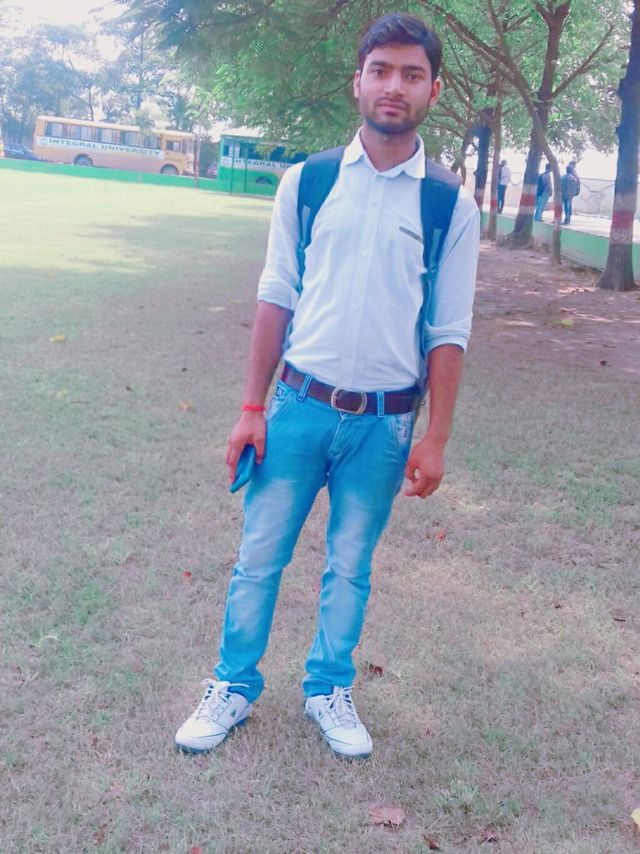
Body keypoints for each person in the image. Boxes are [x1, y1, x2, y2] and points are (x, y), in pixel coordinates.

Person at [174, 12, 480, 760]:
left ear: (434, 91)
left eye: (412, 74)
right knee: (259, 558)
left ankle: (328, 689)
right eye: (381, 70)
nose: (394, 86)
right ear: (358, 81)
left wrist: (436, 438)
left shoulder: (449, 204)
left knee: (350, 567)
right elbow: (276, 293)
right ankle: (233, 685)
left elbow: (448, 329)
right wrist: (252, 408)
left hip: (384, 425)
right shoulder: (308, 182)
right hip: (297, 409)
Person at [561, 161, 580, 225]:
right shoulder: (575, 177)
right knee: (569, 206)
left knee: (566, 207)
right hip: (571, 195)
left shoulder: (564, 177)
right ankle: (568, 219)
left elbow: (562, 186)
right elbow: (577, 185)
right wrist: (575, 193)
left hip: (565, 194)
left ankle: (566, 219)